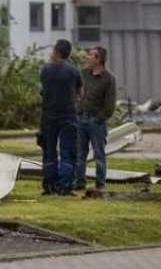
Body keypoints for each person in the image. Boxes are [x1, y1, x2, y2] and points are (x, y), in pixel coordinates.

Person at [39, 39, 82, 195]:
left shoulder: (45, 70)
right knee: (67, 152)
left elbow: (43, 91)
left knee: (49, 151)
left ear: (56, 51)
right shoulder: (74, 71)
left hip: (48, 117)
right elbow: (80, 93)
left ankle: (50, 185)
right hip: (68, 116)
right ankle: (64, 186)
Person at [75, 46, 117, 192]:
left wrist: (98, 119)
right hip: (80, 119)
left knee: (99, 153)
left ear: (98, 59)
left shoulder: (109, 79)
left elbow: (110, 105)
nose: (87, 57)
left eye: (91, 55)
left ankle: (100, 183)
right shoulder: (83, 74)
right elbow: (76, 92)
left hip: (96, 122)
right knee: (80, 153)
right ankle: (79, 181)